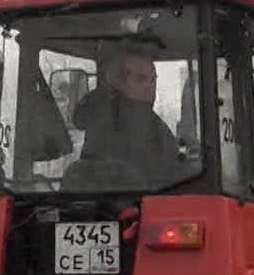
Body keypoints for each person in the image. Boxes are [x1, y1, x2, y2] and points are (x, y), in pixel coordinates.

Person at [72, 45, 184, 183]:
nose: (150, 87)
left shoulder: (150, 120)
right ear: (118, 83)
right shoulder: (121, 119)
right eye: (140, 79)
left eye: (153, 80)